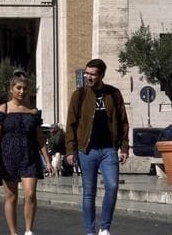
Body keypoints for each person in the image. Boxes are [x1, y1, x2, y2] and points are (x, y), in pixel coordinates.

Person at [65, 58, 129, 235]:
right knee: (89, 193)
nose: (88, 77)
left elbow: (123, 122)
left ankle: (104, 228)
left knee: (113, 186)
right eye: (87, 73)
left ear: (101, 75)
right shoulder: (79, 95)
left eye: (92, 74)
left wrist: (124, 147)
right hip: (86, 151)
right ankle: (90, 231)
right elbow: (70, 125)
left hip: (109, 150)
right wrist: (70, 150)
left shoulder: (114, 94)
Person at [0, 74, 55, 235]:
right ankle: (13, 232)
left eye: (25, 88)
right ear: (11, 89)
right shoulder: (3, 109)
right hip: (8, 156)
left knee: (30, 194)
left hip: (29, 156)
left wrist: (48, 161)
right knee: (11, 196)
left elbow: (40, 139)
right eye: (18, 88)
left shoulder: (33, 111)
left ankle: (28, 231)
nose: (22, 91)